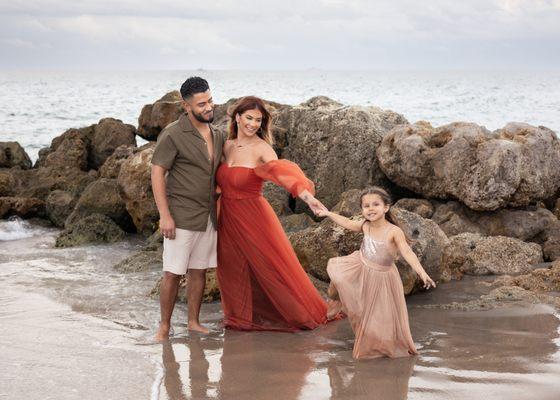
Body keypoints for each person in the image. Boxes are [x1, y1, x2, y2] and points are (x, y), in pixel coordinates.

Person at [216, 96, 329, 331]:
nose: (253, 124)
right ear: (237, 117)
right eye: (249, 118)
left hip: (254, 216)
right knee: (232, 266)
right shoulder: (226, 146)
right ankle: (239, 318)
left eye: (258, 120)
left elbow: (283, 173)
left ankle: (300, 314)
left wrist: (308, 197)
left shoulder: (262, 148)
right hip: (226, 216)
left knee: (272, 267)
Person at [316, 186, 436, 359]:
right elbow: (348, 223)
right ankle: (335, 299)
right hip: (361, 266)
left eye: (375, 204)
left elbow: (407, 252)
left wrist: (421, 272)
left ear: (386, 207)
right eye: (366, 206)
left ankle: (377, 343)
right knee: (338, 277)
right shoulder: (366, 225)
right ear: (362, 210)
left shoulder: (394, 231)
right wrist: (328, 214)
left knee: (376, 314)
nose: (370, 209)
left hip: (383, 277)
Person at [151, 77, 224, 340]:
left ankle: (193, 321)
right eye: (202, 104)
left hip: (208, 216)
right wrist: (165, 215)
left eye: (210, 100)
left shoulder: (217, 133)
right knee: (172, 272)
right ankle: (164, 326)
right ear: (186, 106)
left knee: (199, 270)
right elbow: (157, 173)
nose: (208, 107)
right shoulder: (172, 134)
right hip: (180, 216)